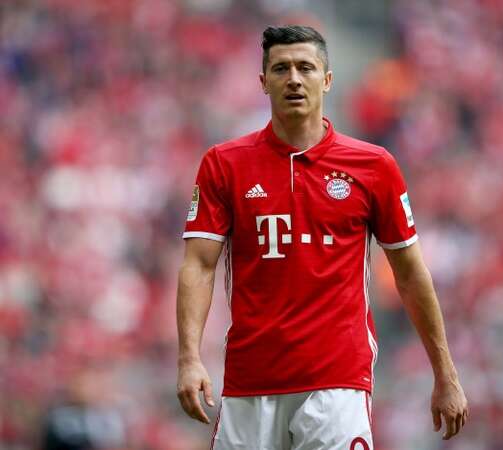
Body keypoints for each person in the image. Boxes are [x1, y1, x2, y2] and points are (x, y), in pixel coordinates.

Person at [176, 25, 468, 449]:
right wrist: (189, 358)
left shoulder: (374, 166)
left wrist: (446, 374)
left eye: (305, 67)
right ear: (263, 82)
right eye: (281, 69)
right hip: (250, 380)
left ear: (327, 79)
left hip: (338, 382)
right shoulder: (224, 164)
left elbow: (410, 273)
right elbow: (198, 265)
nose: (294, 78)